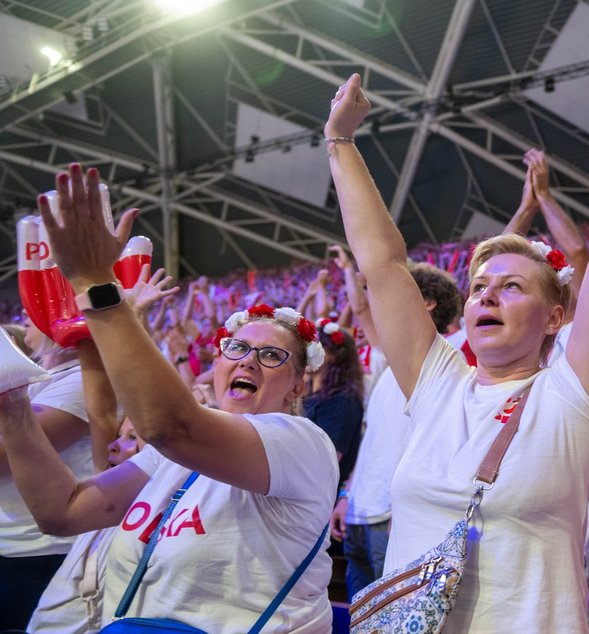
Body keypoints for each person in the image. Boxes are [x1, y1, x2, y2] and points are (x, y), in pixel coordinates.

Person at [323, 6, 589, 630]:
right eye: (480, 287)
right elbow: (382, 264)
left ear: (557, 316)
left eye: (512, 287)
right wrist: (340, 143)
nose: (486, 297)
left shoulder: (571, 394)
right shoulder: (437, 384)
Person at [0, 164, 338, 631]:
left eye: (271, 355)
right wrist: (12, 403)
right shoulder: (167, 461)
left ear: (298, 385)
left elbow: (169, 426)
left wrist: (95, 285)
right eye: (237, 348)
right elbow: (64, 510)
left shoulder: (301, 443)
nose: (247, 361)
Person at [330, 261, 462, 600]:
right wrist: (347, 496)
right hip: (359, 512)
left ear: (426, 302)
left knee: (392, 615)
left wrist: (406, 512)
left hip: (393, 515)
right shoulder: (391, 361)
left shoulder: (447, 359)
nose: (383, 305)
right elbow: (372, 438)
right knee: (361, 617)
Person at [27, 418, 147, 633]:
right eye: (118, 435)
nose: (112, 445)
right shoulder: (103, 495)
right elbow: (99, 414)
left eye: (132, 438)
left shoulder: (151, 512)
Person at [303, 316, 365, 488]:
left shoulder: (341, 401)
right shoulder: (310, 396)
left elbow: (326, 461)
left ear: (333, 355)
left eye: (313, 346)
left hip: (318, 493)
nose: (304, 352)